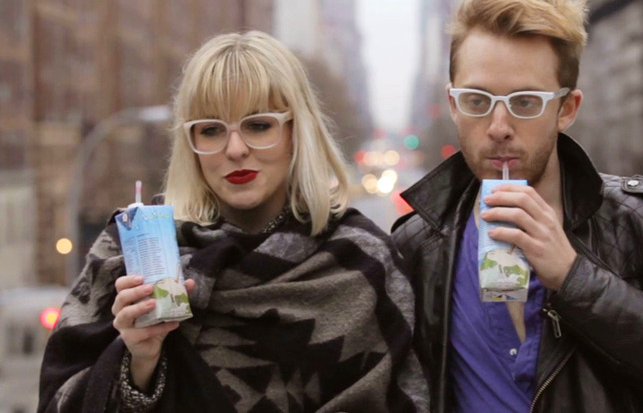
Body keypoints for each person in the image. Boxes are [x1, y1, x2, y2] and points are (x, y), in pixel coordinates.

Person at [392, 0, 643, 413]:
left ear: (567, 109)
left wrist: (574, 277)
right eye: (478, 101)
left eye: (525, 102)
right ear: (453, 105)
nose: (499, 126)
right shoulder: (417, 247)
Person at [39, 31, 429, 413]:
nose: (236, 149)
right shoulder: (131, 253)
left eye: (258, 125)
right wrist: (138, 360)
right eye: (210, 130)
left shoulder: (362, 260)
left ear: (296, 130)